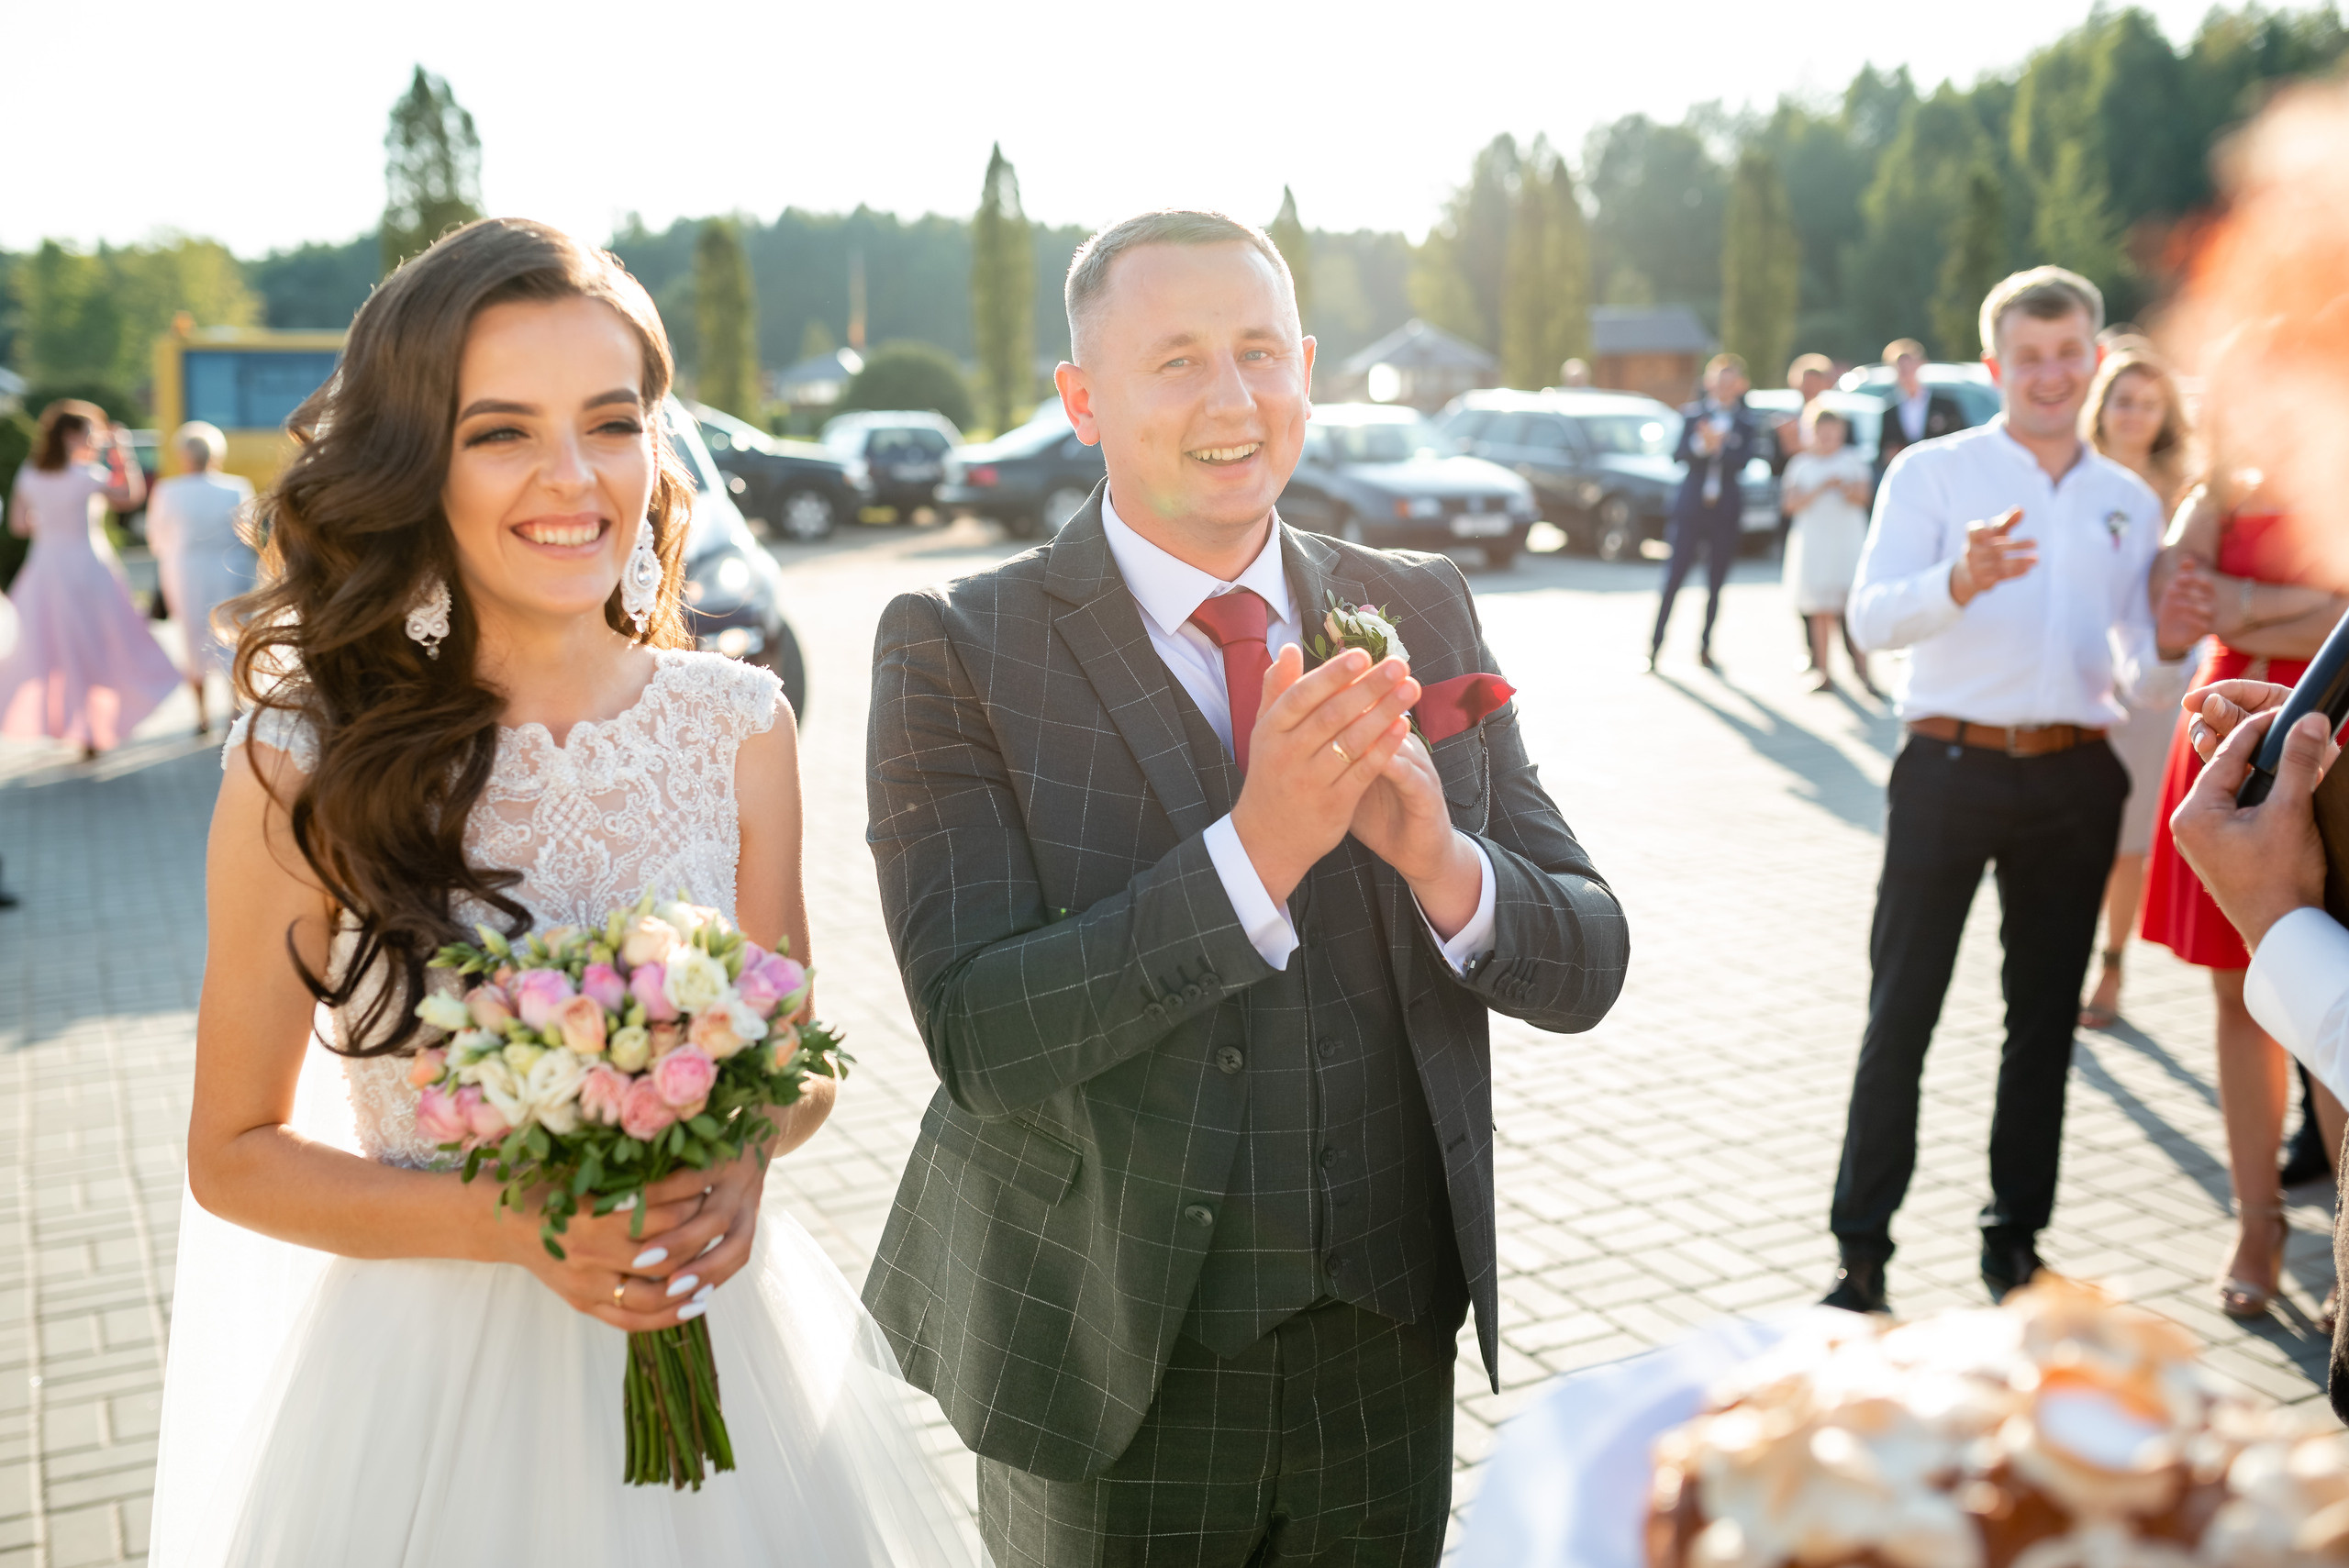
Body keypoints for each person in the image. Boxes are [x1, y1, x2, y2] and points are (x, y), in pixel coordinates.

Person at [148, 219, 982, 1567]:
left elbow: (801, 1061)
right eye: (500, 432)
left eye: (610, 420)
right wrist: (519, 1222)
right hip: (427, 1401)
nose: (572, 477)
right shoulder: (304, 765)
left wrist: (741, 1149)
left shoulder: (739, 726)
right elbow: (230, 1154)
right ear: (414, 464)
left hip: (724, 1355)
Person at [861, 209, 1629, 1568]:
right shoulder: (956, 646)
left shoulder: (1420, 602)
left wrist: (1445, 865)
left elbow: (1590, 956)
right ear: (1084, 400)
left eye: (1260, 352)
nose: (1232, 399)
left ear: (1309, 370)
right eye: (1177, 362)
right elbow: (981, 1034)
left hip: (1385, 1356)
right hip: (1114, 1363)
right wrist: (1256, 851)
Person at [1821, 267, 2210, 1315]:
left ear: (2093, 357)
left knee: (2040, 1021)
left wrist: (2170, 642)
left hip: (2077, 777)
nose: (2049, 373)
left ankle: (2014, 1250)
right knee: (1900, 1010)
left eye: (2067, 352)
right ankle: (1859, 1256)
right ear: (1996, 366)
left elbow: (2135, 672)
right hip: (1946, 767)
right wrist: (1958, 579)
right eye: (2027, 357)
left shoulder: (2129, 503)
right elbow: (1866, 619)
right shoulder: (1932, 473)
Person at [2138, 465, 2349, 1322]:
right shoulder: (2215, 487)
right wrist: (2281, 601)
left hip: (2323, 738)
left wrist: (2243, 599)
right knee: (2237, 999)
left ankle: (2343, 1235)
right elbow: (2176, 604)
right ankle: (2256, 1224)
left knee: (2324, 991)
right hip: (2224, 731)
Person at [2076, 347, 2195, 1031]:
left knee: (2126, 841)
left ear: (2166, 414)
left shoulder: (2184, 492)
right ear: (2103, 405)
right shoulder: (2074, 477)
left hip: (2150, 684)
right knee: (2066, 834)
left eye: (2149, 403)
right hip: (2076, 670)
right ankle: (2061, 949)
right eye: (2123, 400)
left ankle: (2111, 965)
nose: (2135, 414)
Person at [0, 400, 181, 759]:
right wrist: (122, 452)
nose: (96, 441)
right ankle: (91, 731)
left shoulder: (30, 472)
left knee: (52, 651)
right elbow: (130, 498)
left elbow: (19, 525)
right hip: (86, 569)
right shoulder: (86, 476)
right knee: (99, 647)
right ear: (70, 436)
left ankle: (72, 727)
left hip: (45, 568)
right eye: (91, 435)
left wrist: (50, 521)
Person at [145, 420, 258, 737]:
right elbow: (248, 534)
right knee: (233, 637)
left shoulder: (168, 490)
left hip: (185, 572)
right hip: (231, 569)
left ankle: (201, 714)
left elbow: (156, 538)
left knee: (193, 640)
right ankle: (234, 712)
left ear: (183, 455)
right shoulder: (236, 486)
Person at [1648, 352, 1756, 673]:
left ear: (1737, 386)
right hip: (1691, 510)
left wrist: (1720, 447)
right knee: (1674, 579)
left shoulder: (1746, 422)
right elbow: (1678, 454)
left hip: (1724, 512)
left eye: (1730, 382)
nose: (1724, 388)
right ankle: (1654, 647)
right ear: (1710, 383)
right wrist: (1702, 444)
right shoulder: (1692, 416)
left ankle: (1706, 647)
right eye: (1719, 381)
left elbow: (1745, 461)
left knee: (1715, 583)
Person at [1779, 404, 1875, 695]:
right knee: (1819, 609)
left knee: (1852, 607)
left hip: (1846, 543)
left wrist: (1844, 488)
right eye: (1822, 433)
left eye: (1833, 433)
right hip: (1816, 544)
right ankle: (1822, 671)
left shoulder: (1853, 461)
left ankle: (1864, 672)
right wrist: (1820, 487)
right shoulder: (1801, 465)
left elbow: (1865, 497)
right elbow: (1789, 505)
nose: (1827, 439)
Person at [1874, 339, 1965, 474]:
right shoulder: (1889, 412)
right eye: (1900, 367)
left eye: (1909, 365)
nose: (1905, 372)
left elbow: (1961, 440)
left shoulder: (1945, 405)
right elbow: (1882, 454)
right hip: (1908, 476)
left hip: (1941, 473)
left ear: (1921, 364)